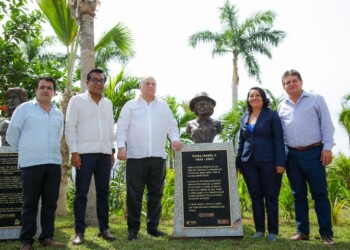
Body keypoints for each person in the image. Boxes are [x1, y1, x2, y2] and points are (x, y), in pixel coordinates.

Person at [116, 76, 182, 241]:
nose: (150, 86)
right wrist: (121, 147)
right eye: (147, 83)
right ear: (140, 87)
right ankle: (133, 230)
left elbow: (172, 125)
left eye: (153, 84)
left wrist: (174, 139)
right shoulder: (130, 106)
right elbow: (122, 127)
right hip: (136, 157)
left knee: (156, 194)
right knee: (134, 194)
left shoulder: (163, 107)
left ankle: (153, 228)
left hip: (158, 157)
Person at [6, 77, 64, 250]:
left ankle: (47, 236)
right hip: (31, 163)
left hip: (53, 162)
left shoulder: (58, 113)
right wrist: (26, 150)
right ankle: (26, 240)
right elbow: (12, 134)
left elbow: (59, 135)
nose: (45, 90)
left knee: (50, 203)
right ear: (36, 90)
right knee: (29, 203)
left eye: (49, 88)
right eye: (42, 87)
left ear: (54, 92)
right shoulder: (24, 109)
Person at [278, 69, 335, 245]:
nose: (291, 84)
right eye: (288, 82)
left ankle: (326, 234)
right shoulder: (281, 106)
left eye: (294, 80)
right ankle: (302, 231)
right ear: (284, 86)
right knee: (298, 195)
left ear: (301, 82)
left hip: (314, 153)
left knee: (320, 194)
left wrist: (327, 148)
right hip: (292, 155)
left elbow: (327, 125)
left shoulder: (316, 100)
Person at [65, 69, 116, 245]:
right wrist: (74, 152)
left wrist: (112, 151)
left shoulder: (108, 103)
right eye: (95, 80)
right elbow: (71, 127)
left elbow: (111, 129)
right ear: (87, 82)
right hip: (84, 154)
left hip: (104, 154)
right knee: (81, 193)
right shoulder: (77, 101)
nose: (99, 83)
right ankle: (79, 232)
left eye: (102, 80)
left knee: (103, 193)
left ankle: (104, 229)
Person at [236, 87, 285, 242]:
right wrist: (238, 163)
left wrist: (280, 162)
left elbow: (279, 140)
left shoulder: (272, 115)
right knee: (255, 196)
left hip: (269, 162)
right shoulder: (244, 117)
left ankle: (272, 232)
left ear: (263, 98)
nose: (254, 97)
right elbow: (241, 142)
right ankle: (259, 230)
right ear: (248, 99)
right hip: (248, 163)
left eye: (257, 95)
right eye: (251, 95)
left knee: (271, 196)